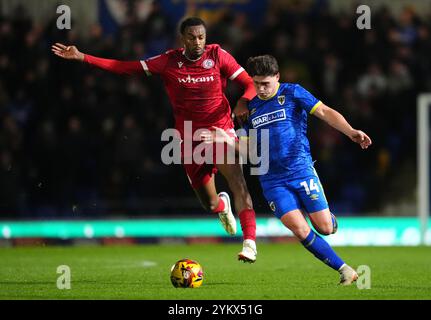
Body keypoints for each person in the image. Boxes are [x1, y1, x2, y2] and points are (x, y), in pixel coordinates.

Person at [51, 17, 258, 263]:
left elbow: (248, 83)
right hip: (190, 139)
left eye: (201, 36)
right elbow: (124, 67)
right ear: (183, 39)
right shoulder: (168, 61)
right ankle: (222, 207)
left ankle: (249, 244)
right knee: (209, 203)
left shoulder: (217, 55)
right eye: (192, 37)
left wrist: (244, 100)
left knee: (238, 182)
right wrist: (84, 57)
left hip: (220, 130)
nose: (198, 42)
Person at [201, 55, 372, 284]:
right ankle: (345, 270)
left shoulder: (292, 93)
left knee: (325, 228)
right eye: (256, 83)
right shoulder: (250, 109)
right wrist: (225, 138)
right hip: (272, 181)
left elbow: (324, 112)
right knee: (300, 230)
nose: (261, 89)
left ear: (277, 77)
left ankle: (329, 219)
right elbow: (251, 150)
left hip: (301, 171)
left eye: (266, 83)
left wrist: (350, 131)